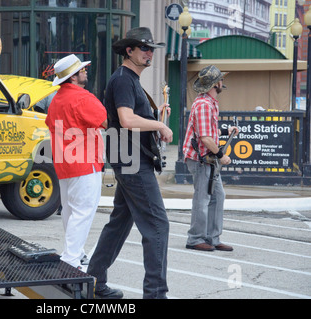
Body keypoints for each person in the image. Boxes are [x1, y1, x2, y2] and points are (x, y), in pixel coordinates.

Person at [86, 27, 173, 299]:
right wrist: (159, 123)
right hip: (132, 162)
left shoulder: (130, 80)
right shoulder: (123, 79)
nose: (149, 53)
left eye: (151, 49)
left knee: (119, 222)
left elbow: (131, 117)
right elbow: (126, 119)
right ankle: (156, 294)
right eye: (144, 48)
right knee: (158, 225)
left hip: (129, 160)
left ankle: (95, 282)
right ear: (129, 51)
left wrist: (156, 114)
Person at [45, 54, 107, 271]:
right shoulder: (83, 98)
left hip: (64, 164)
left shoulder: (56, 99)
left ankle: (75, 254)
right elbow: (106, 121)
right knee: (82, 212)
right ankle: (71, 259)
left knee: (70, 212)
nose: (86, 72)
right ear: (73, 77)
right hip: (85, 162)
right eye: (82, 70)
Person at [182, 65, 239, 252]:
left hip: (205, 158)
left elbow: (207, 131)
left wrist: (225, 130)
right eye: (221, 80)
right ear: (216, 84)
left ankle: (211, 238)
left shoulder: (208, 102)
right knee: (203, 198)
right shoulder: (205, 105)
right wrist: (221, 156)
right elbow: (205, 138)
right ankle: (196, 238)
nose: (223, 83)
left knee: (215, 196)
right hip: (201, 158)